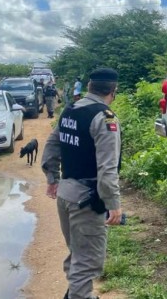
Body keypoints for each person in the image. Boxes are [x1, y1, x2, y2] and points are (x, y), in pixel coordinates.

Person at [41, 68, 123, 299]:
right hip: (87, 199)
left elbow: (52, 143)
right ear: (113, 91)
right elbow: (107, 168)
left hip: (66, 193)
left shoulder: (70, 110)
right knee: (88, 261)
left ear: (89, 86)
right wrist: (114, 203)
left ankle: (78, 293)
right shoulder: (104, 117)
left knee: (78, 252)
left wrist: (52, 178)